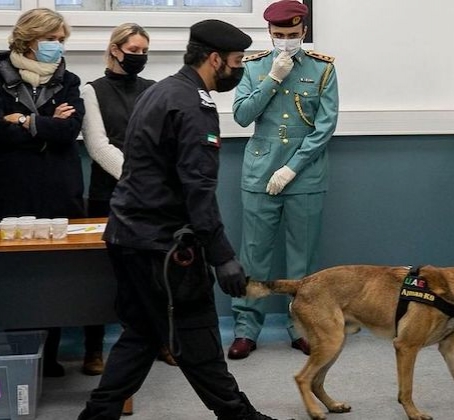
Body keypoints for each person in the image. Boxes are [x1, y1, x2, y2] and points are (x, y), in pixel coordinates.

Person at [78, 19, 280, 420]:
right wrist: (222, 256)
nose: (240, 70)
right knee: (198, 336)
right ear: (214, 59)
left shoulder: (163, 91)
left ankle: (95, 416)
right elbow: (197, 190)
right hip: (162, 248)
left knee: (141, 336)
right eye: (237, 61)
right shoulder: (192, 105)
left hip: (127, 236)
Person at [0, 7, 85, 378]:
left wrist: (22, 119)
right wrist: (47, 123)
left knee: (52, 279)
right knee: (12, 278)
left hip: (56, 191)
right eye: (51, 39)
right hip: (7, 192)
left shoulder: (69, 80)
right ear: (29, 39)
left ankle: (48, 357)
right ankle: (20, 357)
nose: (57, 46)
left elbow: (69, 132)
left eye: (61, 40)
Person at [228, 0, 339, 359]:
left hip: (305, 175)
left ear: (303, 32)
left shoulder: (323, 69)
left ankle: (301, 326)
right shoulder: (255, 67)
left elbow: (325, 126)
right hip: (260, 173)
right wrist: (273, 78)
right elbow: (243, 116)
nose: (286, 41)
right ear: (269, 34)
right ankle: (246, 328)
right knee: (254, 256)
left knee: (302, 261)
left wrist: (293, 166)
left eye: (292, 35)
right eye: (279, 35)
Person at [81, 23, 178, 379]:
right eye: (133, 50)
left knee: (152, 275)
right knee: (99, 277)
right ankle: (93, 348)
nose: (139, 56)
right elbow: (97, 144)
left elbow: (163, 139)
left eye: (143, 51)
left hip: (151, 198)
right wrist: (137, 178)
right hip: (109, 195)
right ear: (115, 50)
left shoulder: (153, 89)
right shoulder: (92, 90)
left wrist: (151, 181)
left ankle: (159, 341)